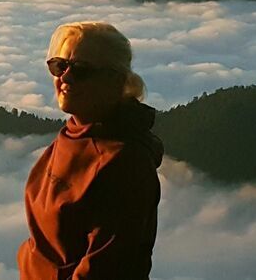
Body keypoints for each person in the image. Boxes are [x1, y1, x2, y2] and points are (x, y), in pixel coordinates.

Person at [17, 21, 164, 280]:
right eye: (59, 65)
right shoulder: (75, 132)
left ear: (115, 81)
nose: (65, 77)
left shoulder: (125, 163)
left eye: (81, 70)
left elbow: (104, 271)